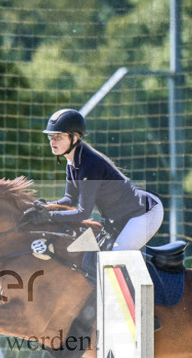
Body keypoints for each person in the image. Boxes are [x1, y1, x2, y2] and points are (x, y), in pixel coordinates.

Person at [19, 108, 163, 251]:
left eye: (59, 137)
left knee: (116, 256)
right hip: (122, 218)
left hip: (144, 213)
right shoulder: (73, 162)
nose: (52, 141)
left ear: (74, 138)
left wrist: (50, 216)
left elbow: (83, 213)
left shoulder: (89, 165)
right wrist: (46, 207)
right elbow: (69, 199)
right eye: (51, 136)